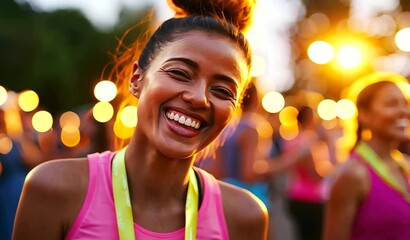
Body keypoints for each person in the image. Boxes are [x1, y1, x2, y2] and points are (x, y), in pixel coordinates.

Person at [12, 0, 269, 239]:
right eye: (180, 73)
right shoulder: (54, 188)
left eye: (223, 91)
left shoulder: (245, 216)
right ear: (137, 79)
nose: (199, 98)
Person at [323, 77, 410, 240]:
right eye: (391, 104)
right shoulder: (354, 175)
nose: (404, 111)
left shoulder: (407, 165)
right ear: (364, 115)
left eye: (405, 104)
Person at [282, 106, 331, 240]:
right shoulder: (311, 142)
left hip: (294, 194)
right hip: (312, 198)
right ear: (310, 119)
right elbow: (316, 174)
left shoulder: (290, 140)